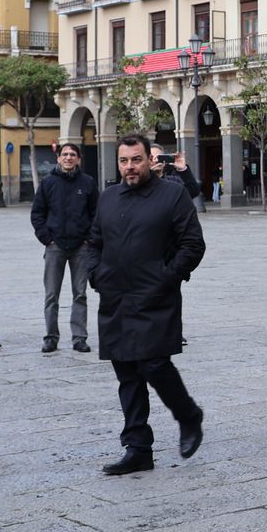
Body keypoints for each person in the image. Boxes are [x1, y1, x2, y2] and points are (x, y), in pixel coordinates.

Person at [84, 135, 207, 475]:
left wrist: (167, 277)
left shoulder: (172, 193)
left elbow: (193, 244)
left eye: (136, 160)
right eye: (124, 161)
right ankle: (137, 447)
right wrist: (95, 274)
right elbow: (93, 242)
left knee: (153, 364)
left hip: (155, 297)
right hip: (115, 298)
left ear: (148, 159)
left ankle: (188, 415)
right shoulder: (108, 197)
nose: (129, 167)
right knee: (126, 373)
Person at [30, 142, 97, 353]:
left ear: (78, 159)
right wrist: (46, 239)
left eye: (72, 154)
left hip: (81, 247)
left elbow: (96, 214)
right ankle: (51, 337)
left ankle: (79, 338)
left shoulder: (88, 183)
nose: (68, 158)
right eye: (64, 154)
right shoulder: (48, 183)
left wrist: (89, 238)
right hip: (55, 246)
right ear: (58, 158)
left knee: (80, 294)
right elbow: (37, 214)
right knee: (51, 295)